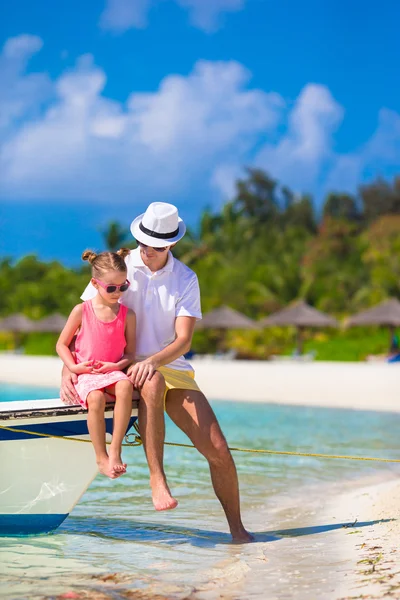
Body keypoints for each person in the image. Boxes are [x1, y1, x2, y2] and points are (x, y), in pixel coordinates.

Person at [61, 202, 253, 542]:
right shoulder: (119, 267)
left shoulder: (185, 278)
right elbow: (84, 322)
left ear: (172, 244)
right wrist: (67, 370)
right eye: (145, 243)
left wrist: (152, 360)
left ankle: (238, 532)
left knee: (219, 450)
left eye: (157, 246)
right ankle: (157, 479)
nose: (148, 251)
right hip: (118, 368)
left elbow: (183, 340)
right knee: (152, 380)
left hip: (170, 366)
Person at [56, 249, 136, 479]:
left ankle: (115, 449)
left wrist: (115, 366)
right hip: (86, 373)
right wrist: (73, 368)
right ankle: (100, 456)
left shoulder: (127, 315)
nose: (117, 292)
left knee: (125, 386)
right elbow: (62, 345)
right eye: (111, 288)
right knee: (96, 398)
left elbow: (131, 354)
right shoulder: (81, 311)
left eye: (123, 286)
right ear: (95, 283)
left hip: (111, 371)